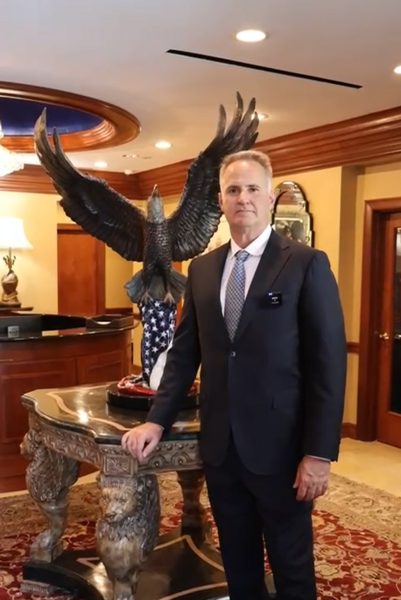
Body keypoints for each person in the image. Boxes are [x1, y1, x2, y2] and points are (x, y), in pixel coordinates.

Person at [122, 149, 347, 600]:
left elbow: (328, 364)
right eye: (233, 189)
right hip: (222, 450)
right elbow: (184, 354)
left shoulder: (306, 263)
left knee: (292, 570)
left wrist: (319, 453)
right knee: (239, 568)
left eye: (252, 188)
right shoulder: (203, 269)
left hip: (283, 452)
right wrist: (157, 420)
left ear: (270, 197)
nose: (243, 197)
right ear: (221, 200)